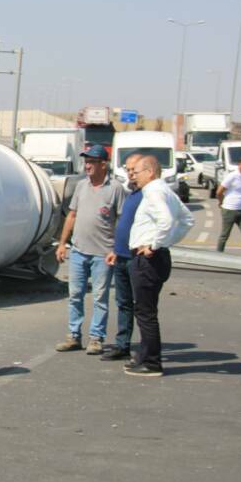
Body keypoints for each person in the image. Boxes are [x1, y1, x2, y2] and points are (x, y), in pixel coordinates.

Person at [125, 155, 194, 377]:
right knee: (145, 310)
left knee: (145, 313)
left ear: (150, 172)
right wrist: (167, 241)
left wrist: (155, 244)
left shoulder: (154, 191)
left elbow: (166, 220)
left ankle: (152, 362)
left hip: (148, 259)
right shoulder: (165, 191)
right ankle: (145, 357)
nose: (133, 175)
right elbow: (187, 219)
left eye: (137, 171)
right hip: (155, 257)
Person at [54, 145, 126, 356]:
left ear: (103, 164)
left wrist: (116, 248)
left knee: (99, 296)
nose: (87, 166)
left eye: (92, 162)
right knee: (75, 294)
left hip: (103, 254)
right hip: (78, 251)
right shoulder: (82, 186)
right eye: (86, 162)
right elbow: (72, 216)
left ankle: (96, 338)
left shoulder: (115, 188)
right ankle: (74, 335)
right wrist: (62, 243)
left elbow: (122, 220)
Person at [102, 153, 144, 361]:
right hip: (121, 256)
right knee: (123, 302)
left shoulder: (150, 194)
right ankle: (122, 344)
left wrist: (153, 244)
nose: (129, 173)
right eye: (127, 169)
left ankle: (146, 349)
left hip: (138, 259)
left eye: (133, 169)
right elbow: (123, 223)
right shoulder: (132, 194)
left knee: (143, 306)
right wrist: (115, 251)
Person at [214, 155, 241, 256]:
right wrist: (221, 202)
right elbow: (219, 191)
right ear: (240, 165)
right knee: (224, 235)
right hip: (229, 210)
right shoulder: (232, 176)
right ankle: (218, 255)